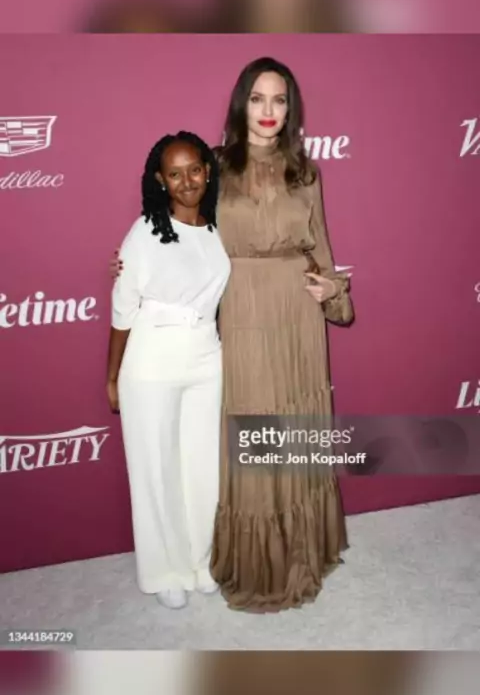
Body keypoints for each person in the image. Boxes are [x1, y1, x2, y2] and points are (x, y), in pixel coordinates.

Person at [111, 57, 353, 612]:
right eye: (258, 98)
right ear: (242, 104)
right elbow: (176, 225)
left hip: (297, 312)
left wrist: (332, 291)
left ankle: (300, 550)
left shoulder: (306, 172)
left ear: (290, 109)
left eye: (280, 100)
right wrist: (129, 261)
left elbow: (321, 244)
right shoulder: (216, 166)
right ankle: (254, 560)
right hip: (241, 310)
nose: (269, 111)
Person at [107, 131, 231, 610]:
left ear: (208, 171)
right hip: (152, 358)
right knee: (155, 468)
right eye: (174, 174)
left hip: (206, 356)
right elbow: (123, 309)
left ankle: (200, 561)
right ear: (160, 180)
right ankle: (164, 572)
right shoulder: (145, 231)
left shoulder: (218, 228)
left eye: (194, 170)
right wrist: (112, 376)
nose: (187, 181)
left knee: (201, 468)